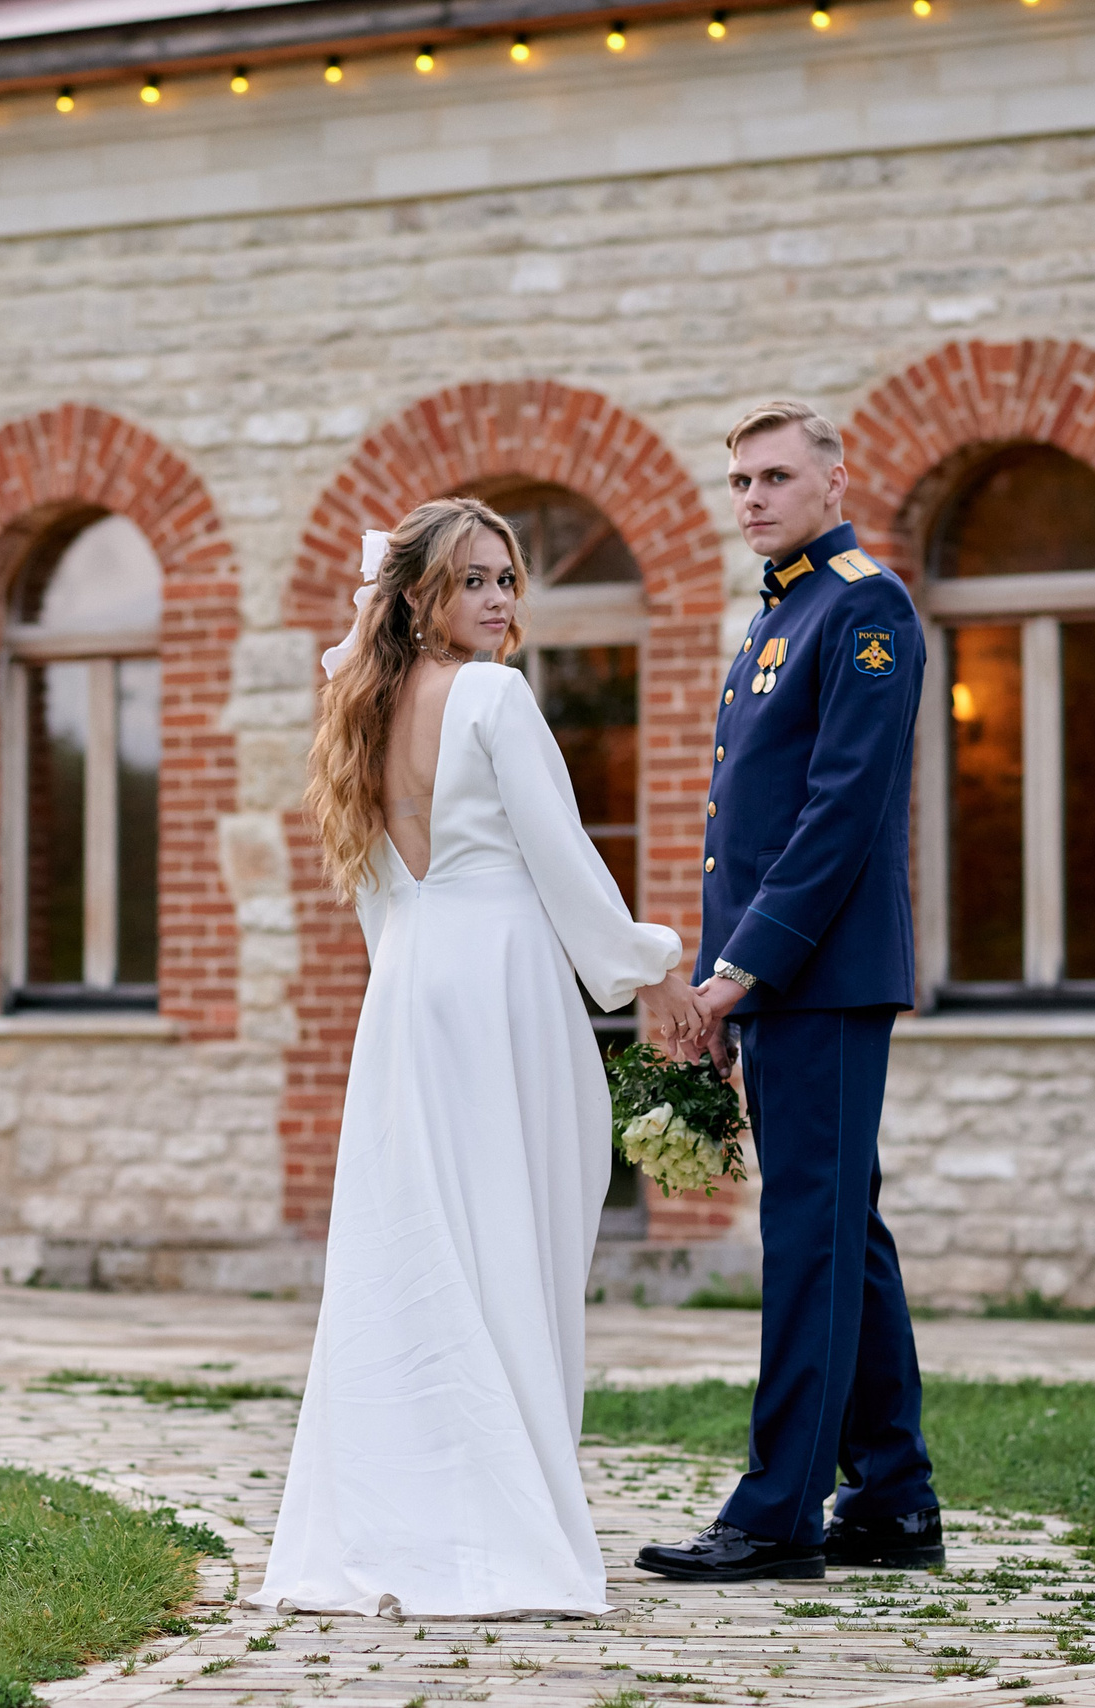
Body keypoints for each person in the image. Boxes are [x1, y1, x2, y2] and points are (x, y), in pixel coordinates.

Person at [247, 495, 712, 1619]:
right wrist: (654, 968)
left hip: (407, 992)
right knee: (517, 1239)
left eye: (507, 580)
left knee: (414, 1246)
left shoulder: (358, 708)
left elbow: (373, 895)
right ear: (420, 597)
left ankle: (403, 1522)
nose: (499, 603)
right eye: (474, 582)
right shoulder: (495, 697)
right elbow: (564, 860)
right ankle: (509, 1528)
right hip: (503, 987)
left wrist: (408, 978)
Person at [636, 402, 943, 1584]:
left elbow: (841, 811)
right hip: (784, 979)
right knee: (840, 1228)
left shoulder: (861, 603)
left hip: (819, 978)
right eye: (737, 481)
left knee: (808, 1239)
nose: (752, 498)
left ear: (832, 479)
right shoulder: (788, 605)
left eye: (773, 477)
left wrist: (734, 973)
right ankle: (893, 1496)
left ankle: (775, 1512)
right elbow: (747, 826)